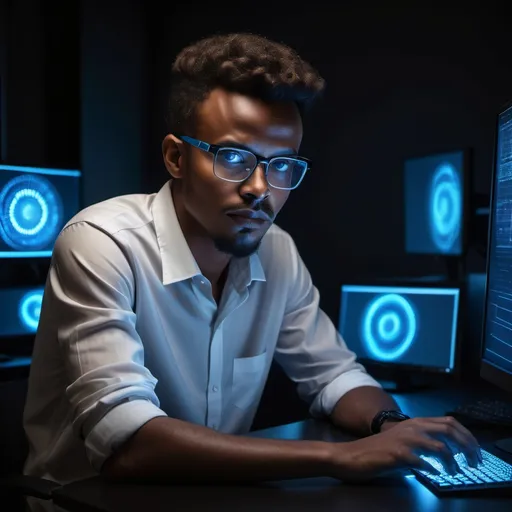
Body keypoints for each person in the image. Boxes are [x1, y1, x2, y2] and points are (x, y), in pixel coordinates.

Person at [23, 32, 481, 486]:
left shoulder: (276, 249)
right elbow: (126, 443)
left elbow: (334, 375)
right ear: (175, 157)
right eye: (234, 157)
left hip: (211, 495)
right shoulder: (101, 242)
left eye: (283, 165)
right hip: (87, 500)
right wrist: (341, 457)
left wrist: (390, 425)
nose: (260, 188)